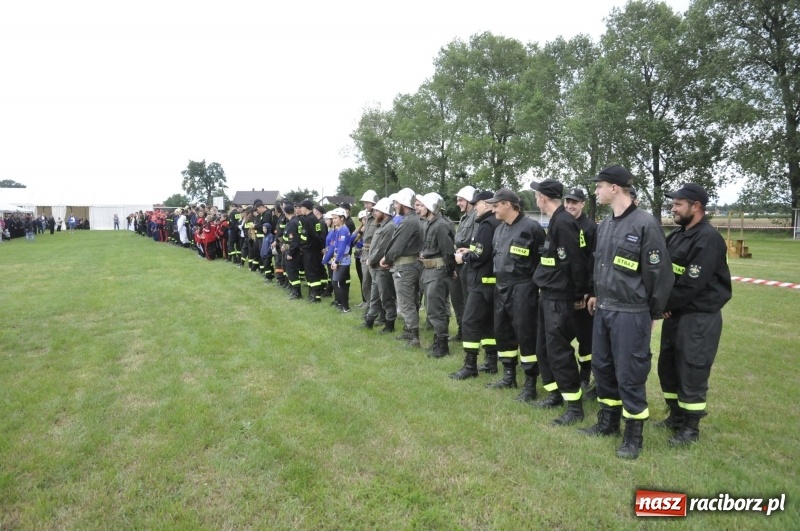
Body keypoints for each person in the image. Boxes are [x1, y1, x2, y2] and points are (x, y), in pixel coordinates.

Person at [583, 165, 673, 460]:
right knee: (603, 367)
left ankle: (634, 435)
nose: (596, 191)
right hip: (605, 309)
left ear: (614, 188)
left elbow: (659, 274)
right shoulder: (605, 225)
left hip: (631, 312)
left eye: (599, 186)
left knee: (630, 372)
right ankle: (607, 422)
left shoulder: (645, 224)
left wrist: (653, 314)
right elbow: (601, 265)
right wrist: (595, 294)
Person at [657, 183, 732, 446]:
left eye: (678, 204)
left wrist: (664, 305)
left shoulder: (708, 239)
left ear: (696, 206)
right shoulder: (678, 235)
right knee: (668, 367)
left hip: (698, 318)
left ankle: (691, 428)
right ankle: (676, 416)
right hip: (676, 314)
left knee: (692, 369)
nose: (673, 208)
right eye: (673, 204)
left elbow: (692, 283)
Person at [531, 179, 591, 424]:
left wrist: (577, 295)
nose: (536, 199)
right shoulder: (556, 220)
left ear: (543, 198)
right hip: (547, 294)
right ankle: (555, 394)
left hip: (560, 297)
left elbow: (574, 262)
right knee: (543, 349)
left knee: (559, 352)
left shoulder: (564, 222)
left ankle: (574, 407)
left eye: (536, 195)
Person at [484, 188, 546, 391]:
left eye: (496, 205)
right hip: (501, 286)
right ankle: (509, 375)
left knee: (526, 334)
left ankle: (530, 382)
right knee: (502, 331)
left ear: (508, 204)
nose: (493, 210)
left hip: (523, 288)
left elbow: (542, 261)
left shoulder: (532, 228)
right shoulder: (499, 230)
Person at [450, 190, 500, 379]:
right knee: (487, 323)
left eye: (477, 204)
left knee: (469, 321)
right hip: (490, 282)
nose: (475, 207)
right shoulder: (495, 223)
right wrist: (470, 250)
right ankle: (491, 361)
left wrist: (463, 257)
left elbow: (480, 255)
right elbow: (486, 250)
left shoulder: (486, 225)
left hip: (481, 283)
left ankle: (470, 365)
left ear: (486, 204)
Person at [564, 187, 597, 398]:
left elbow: (593, 262)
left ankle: (585, 375)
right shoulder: (561, 224)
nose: (570, 206)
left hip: (583, 296)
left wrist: (589, 291)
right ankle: (567, 375)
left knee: (586, 339)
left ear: (583, 204)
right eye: (567, 201)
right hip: (564, 292)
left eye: (574, 202)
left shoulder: (590, 228)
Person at [380, 188, 423, 348]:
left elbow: (396, 245)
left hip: (405, 267)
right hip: (413, 265)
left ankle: (413, 338)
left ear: (403, 203)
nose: (395, 205)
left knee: (406, 302)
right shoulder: (415, 219)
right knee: (412, 300)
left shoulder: (407, 221)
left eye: (397, 203)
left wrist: (386, 258)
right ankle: (408, 331)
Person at [418, 192, 457, 357]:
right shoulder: (429, 224)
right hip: (429, 271)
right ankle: (438, 341)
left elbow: (448, 252)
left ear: (431, 207)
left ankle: (442, 346)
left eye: (423, 205)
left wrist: (451, 271)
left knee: (436, 310)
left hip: (438, 272)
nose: (419, 208)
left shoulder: (441, 225)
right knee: (432, 308)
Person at [363, 198, 398, 332]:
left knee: (387, 297)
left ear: (385, 212)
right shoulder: (381, 225)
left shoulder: (390, 227)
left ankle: (389, 325)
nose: (375, 213)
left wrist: (371, 260)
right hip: (376, 268)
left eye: (377, 211)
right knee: (374, 297)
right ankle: (369, 321)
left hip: (382, 269)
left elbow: (383, 249)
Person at [451, 185, 477, 342]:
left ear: (469, 201)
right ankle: (462, 330)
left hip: (468, 264)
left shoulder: (476, 217)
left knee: (468, 300)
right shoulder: (464, 218)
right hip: (458, 263)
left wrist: (468, 250)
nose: (458, 203)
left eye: (461, 200)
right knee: (457, 299)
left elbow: (477, 242)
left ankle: (470, 333)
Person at [324, 208, 353, 313]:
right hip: (340, 259)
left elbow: (341, 248)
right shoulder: (339, 229)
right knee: (340, 283)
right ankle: (342, 305)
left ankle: (345, 307)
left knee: (336, 283)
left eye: (335, 218)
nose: (333, 220)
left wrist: (336, 261)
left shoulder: (343, 230)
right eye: (333, 218)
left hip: (343, 260)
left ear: (342, 218)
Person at [359, 190, 380, 309]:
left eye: (367, 203)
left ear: (374, 203)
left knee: (375, 283)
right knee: (365, 283)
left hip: (373, 251)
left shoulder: (378, 217)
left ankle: (376, 309)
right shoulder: (368, 217)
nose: (365, 205)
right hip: (365, 251)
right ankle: (370, 306)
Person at [282, 204, 303, 300]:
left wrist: (290, 253)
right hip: (292, 249)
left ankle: (297, 292)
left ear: (285, 212)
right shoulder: (296, 221)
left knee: (292, 272)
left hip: (293, 251)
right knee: (291, 271)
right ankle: (294, 290)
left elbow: (294, 240)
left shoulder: (292, 223)